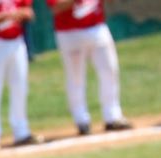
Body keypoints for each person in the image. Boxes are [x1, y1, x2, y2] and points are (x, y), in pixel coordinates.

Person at [49, 0, 130, 135]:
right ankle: (81, 120)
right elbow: (56, 7)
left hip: (97, 27)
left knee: (109, 70)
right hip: (69, 32)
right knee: (76, 77)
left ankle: (113, 116)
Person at [0, 0, 42, 150]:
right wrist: (10, 15)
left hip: (16, 41)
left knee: (20, 86)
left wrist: (24, 14)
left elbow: (28, 10)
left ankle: (21, 132)